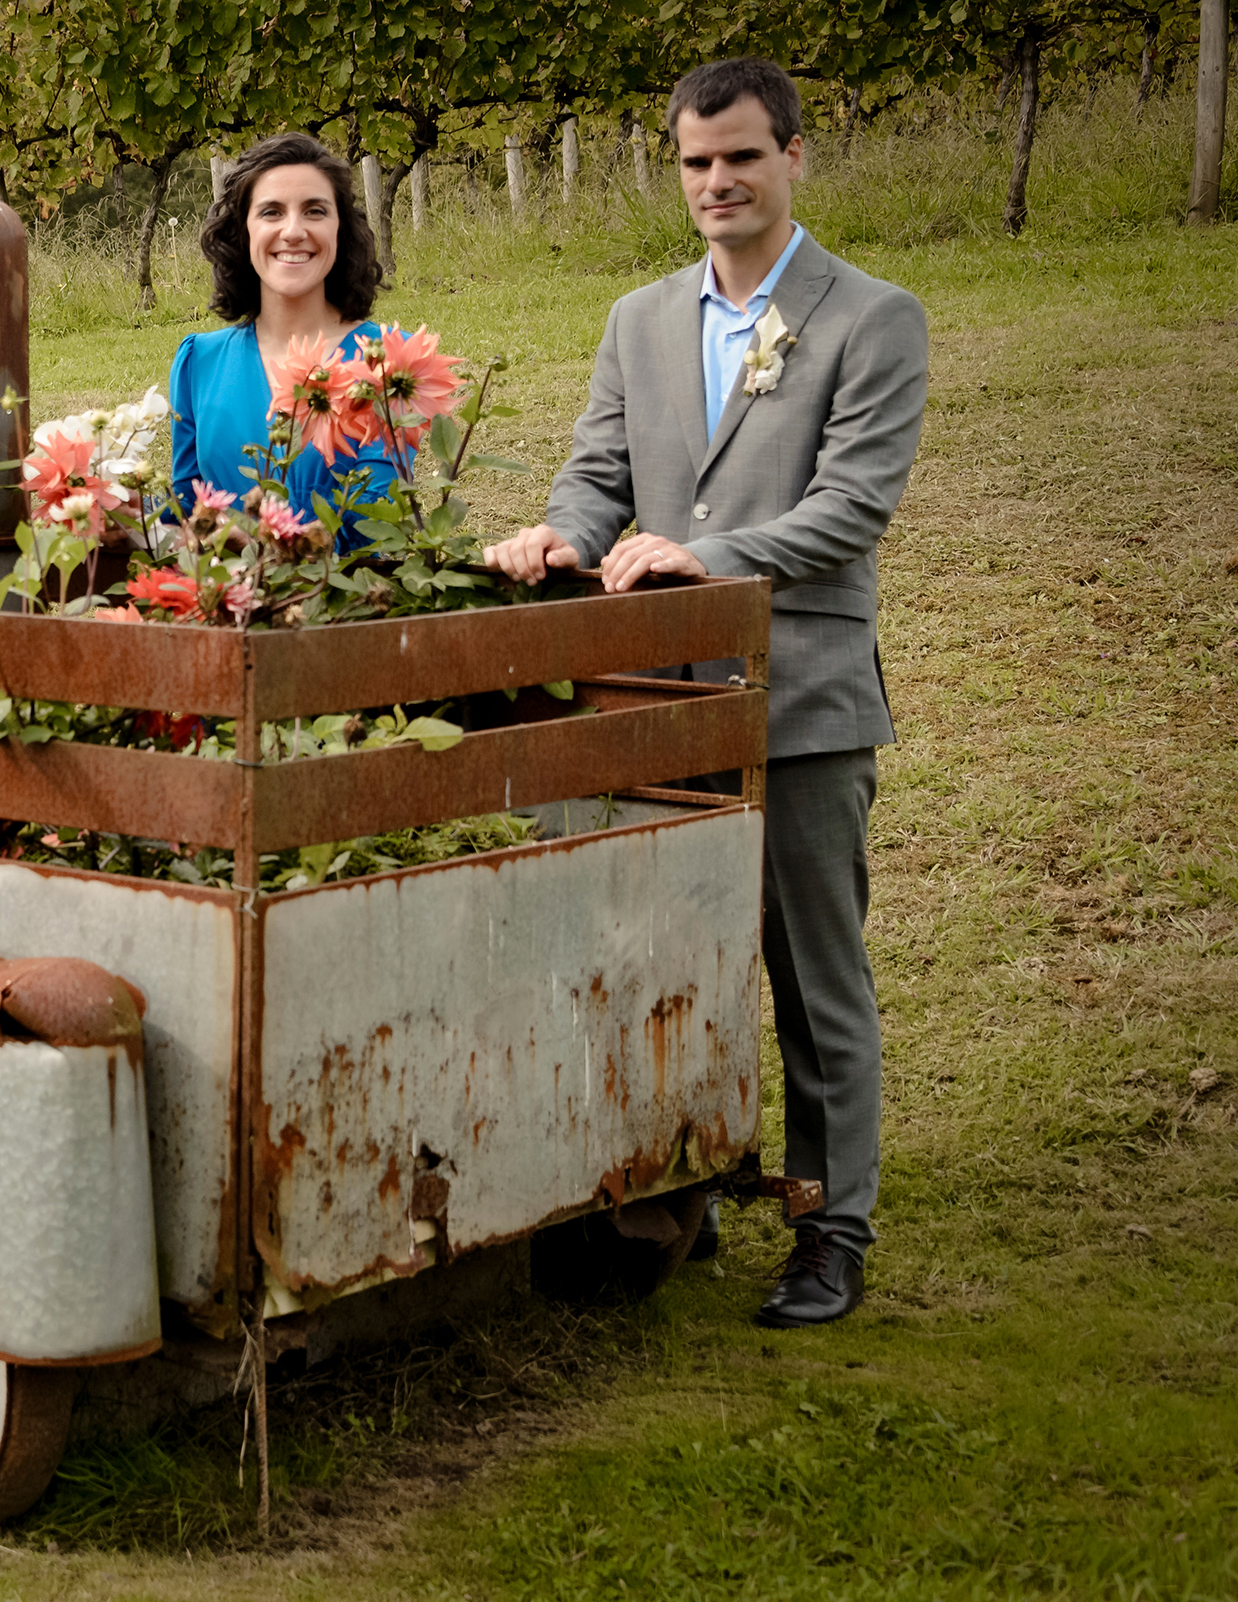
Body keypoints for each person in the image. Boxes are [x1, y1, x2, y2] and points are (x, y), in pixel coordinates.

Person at [482, 57, 928, 1329]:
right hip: (657, 698)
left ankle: (833, 1226)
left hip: (801, 699)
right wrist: (559, 535)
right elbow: (598, 470)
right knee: (661, 951)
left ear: (795, 156)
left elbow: (853, 508)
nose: (719, 181)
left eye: (742, 156)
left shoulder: (871, 316)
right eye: (697, 162)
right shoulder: (639, 318)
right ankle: (689, 1184)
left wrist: (709, 555)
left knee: (811, 973)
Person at [169, 133, 406, 541]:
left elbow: (376, 523)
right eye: (271, 212)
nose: (293, 231)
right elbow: (184, 515)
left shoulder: (385, 360)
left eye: (315, 211)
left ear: (339, 229)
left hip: (344, 597)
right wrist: (124, 519)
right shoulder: (198, 362)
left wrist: (260, 543)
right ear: (243, 231)